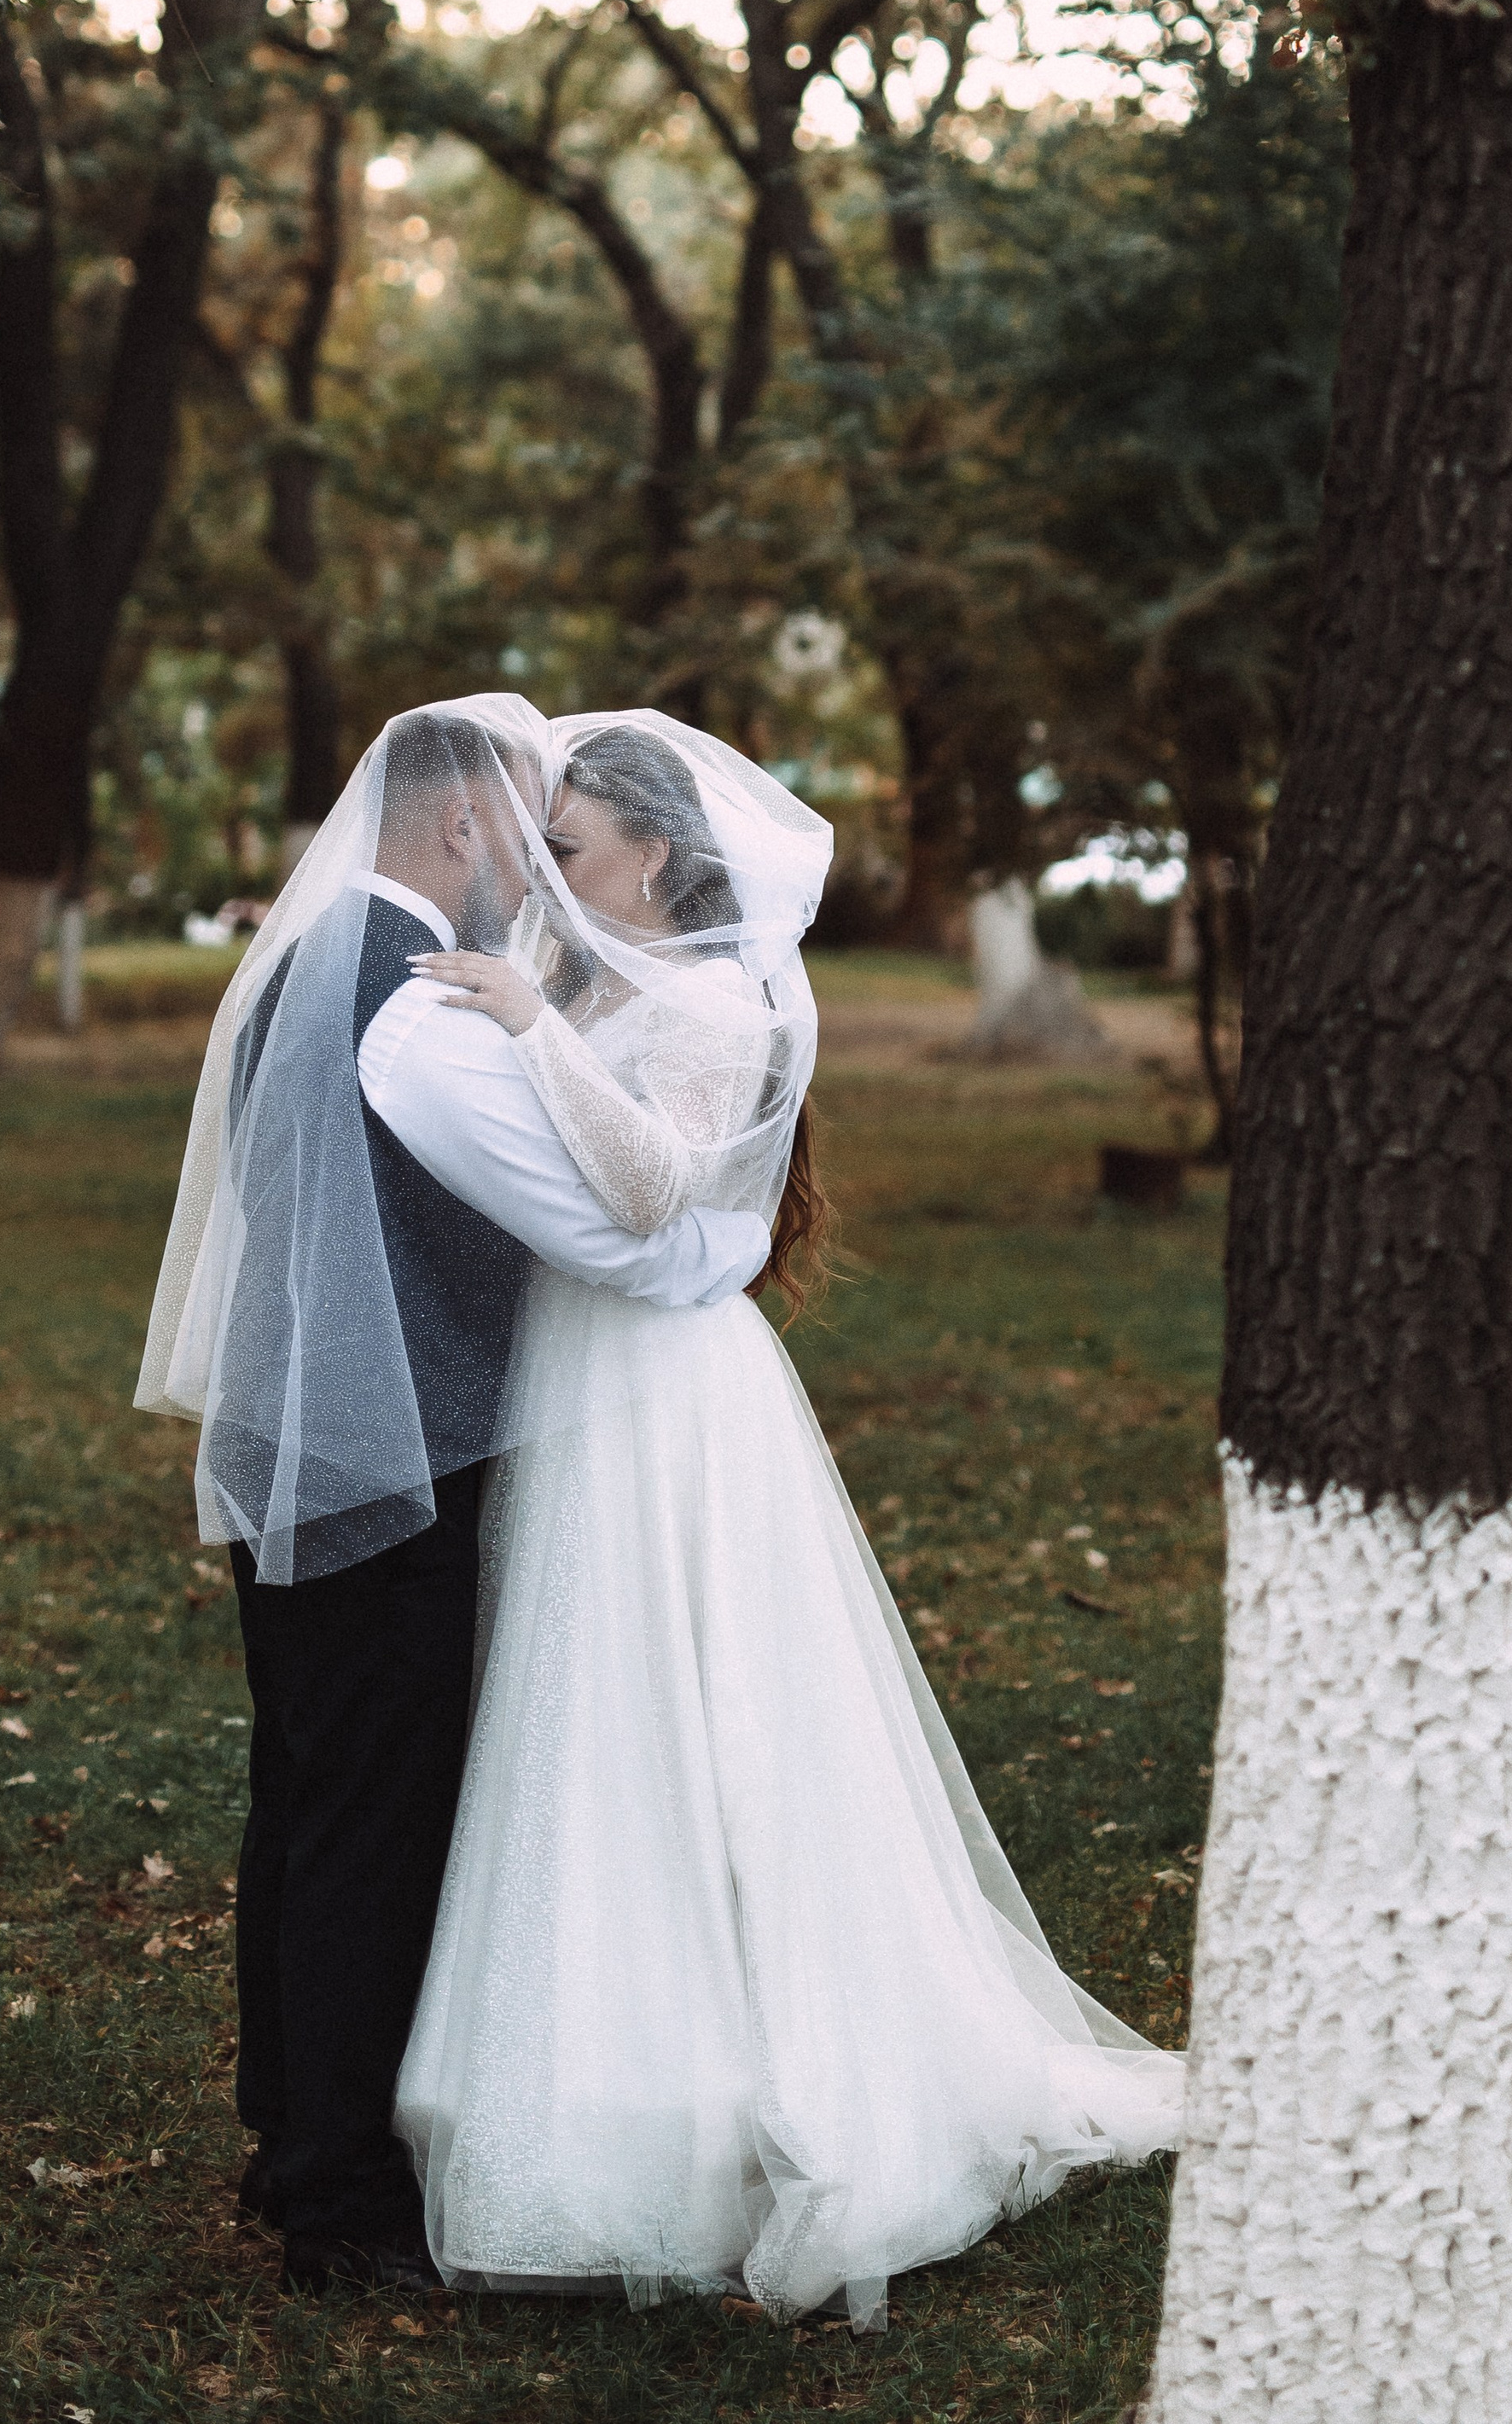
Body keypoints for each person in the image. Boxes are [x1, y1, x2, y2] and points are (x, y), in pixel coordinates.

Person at [392, 712, 1185, 2331]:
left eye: (579, 847)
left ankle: (764, 2078)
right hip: (588, 1369)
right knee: (595, 1717)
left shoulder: (712, 998)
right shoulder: (607, 968)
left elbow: (653, 1188)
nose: (553, 871)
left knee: (708, 1706)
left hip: (671, 1395)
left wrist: (536, 1026)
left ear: (660, 859)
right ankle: (600, 2069)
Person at [134, 698, 775, 2293]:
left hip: (302, 1434)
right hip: (391, 1455)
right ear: (471, 822)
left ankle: (287, 2117)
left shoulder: (314, 953)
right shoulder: (412, 997)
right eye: (533, 833)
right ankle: (340, 2203)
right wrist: (703, 1253)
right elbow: (593, 1215)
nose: (542, 878)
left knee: (303, 1792)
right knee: (372, 1815)